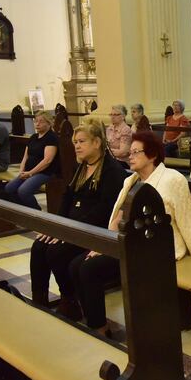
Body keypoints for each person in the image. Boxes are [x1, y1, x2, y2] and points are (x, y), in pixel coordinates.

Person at [70, 131, 191, 336]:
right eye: (130, 152)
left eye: (136, 152)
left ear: (152, 155)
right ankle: (92, 319)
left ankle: (99, 328)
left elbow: (187, 221)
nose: (130, 156)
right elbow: (116, 218)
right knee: (76, 266)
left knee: (89, 270)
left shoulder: (173, 179)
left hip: (154, 248)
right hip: (127, 243)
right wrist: (104, 246)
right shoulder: (131, 180)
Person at [29, 119, 127, 320]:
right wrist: (58, 226)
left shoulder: (112, 170)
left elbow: (105, 209)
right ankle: (39, 300)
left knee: (56, 252)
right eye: (75, 142)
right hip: (73, 227)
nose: (77, 146)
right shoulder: (82, 167)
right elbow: (67, 198)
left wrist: (70, 231)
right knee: (39, 246)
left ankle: (69, 299)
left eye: (82, 141)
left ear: (97, 143)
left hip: (95, 230)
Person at [5, 111, 59, 210]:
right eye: (36, 121)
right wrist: (21, 171)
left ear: (49, 123)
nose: (37, 124)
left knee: (24, 190)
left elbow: (47, 160)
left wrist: (30, 173)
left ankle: (36, 212)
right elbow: (25, 156)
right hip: (29, 171)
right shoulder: (33, 137)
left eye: (41, 122)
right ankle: (25, 210)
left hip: (45, 172)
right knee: (9, 188)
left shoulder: (51, 137)